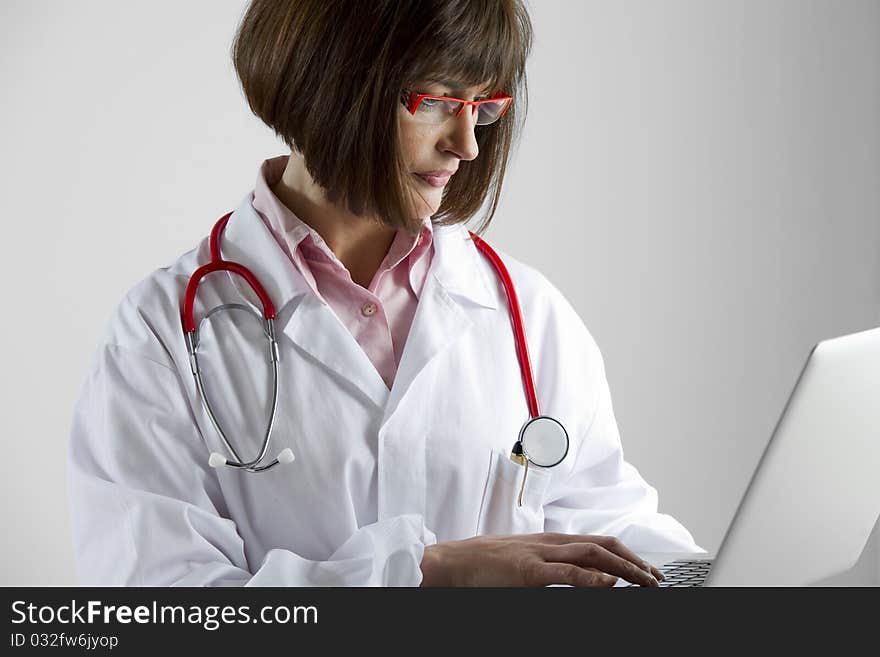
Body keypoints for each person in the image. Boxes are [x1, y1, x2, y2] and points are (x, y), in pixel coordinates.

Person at [68, 0, 703, 587]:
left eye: (483, 106)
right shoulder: (159, 333)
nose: (467, 145)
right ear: (325, 84)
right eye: (433, 101)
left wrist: (727, 582)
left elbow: (612, 533)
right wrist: (421, 578)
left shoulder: (528, 316)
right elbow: (158, 601)